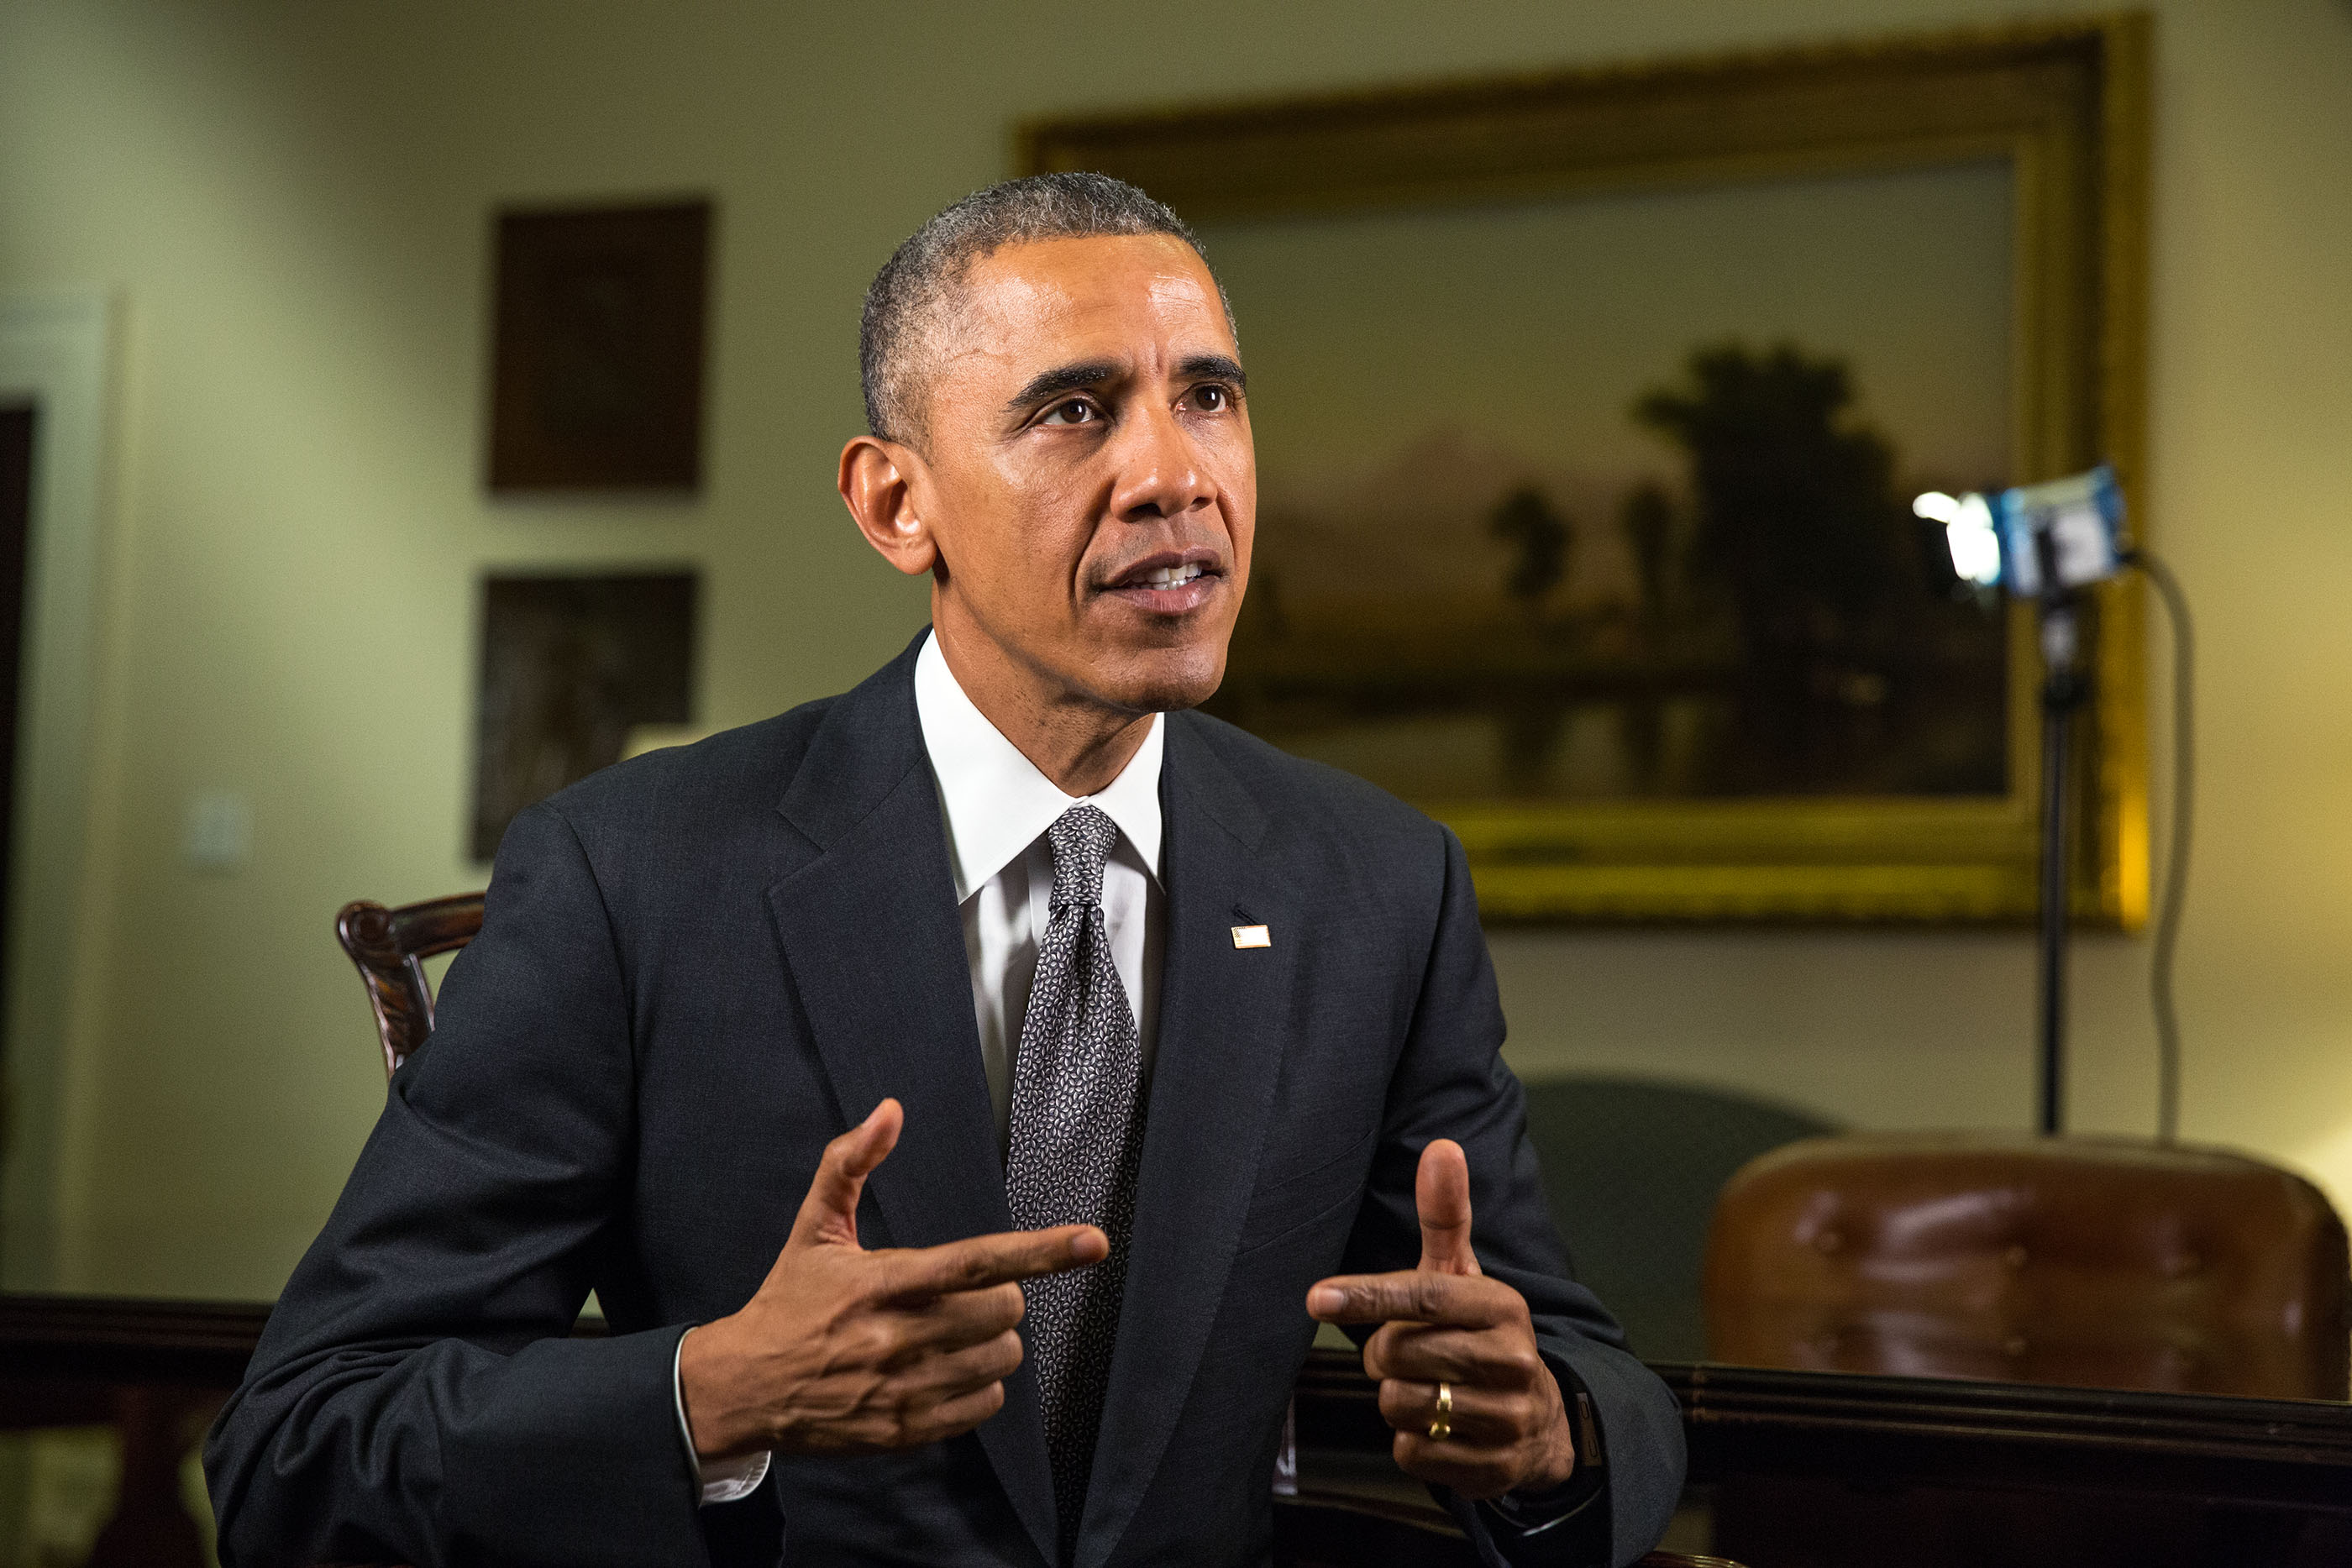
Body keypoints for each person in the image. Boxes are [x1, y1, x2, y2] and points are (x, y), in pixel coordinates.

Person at [206, 172, 1685, 1568]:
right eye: (1075, 410)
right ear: (894, 504)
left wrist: (1545, 1431)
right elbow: (296, 1453)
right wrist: (713, 1391)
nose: (1173, 473)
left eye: (1209, 398)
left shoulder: (1377, 885)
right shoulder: (630, 876)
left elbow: (1577, 1366)